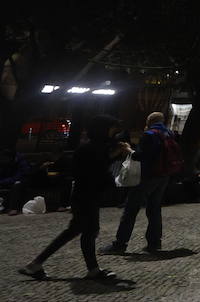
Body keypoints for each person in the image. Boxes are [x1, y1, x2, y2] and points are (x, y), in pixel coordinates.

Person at [20, 115, 130, 282]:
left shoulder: (91, 147)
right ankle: (90, 269)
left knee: (80, 231)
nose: (114, 132)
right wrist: (112, 171)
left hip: (83, 195)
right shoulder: (93, 148)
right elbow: (97, 170)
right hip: (87, 195)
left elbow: (97, 165)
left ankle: (37, 264)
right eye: (112, 128)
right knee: (87, 231)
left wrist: (114, 155)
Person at [102, 112, 176, 254]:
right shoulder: (169, 133)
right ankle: (154, 243)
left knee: (131, 209)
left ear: (149, 121)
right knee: (154, 209)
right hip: (164, 175)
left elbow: (140, 156)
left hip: (148, 176)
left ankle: (120, 244)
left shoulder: (149, 135)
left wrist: (128, 149)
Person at [0, 147, 36, 215]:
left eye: (5, 158)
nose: (3, 160)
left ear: (10, 157)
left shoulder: (21, 161)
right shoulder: (3, 162)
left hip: (22, 181)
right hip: (8, 180)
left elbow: (19, 176)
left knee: (17, 185)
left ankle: (14, 208)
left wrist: (3, 181)